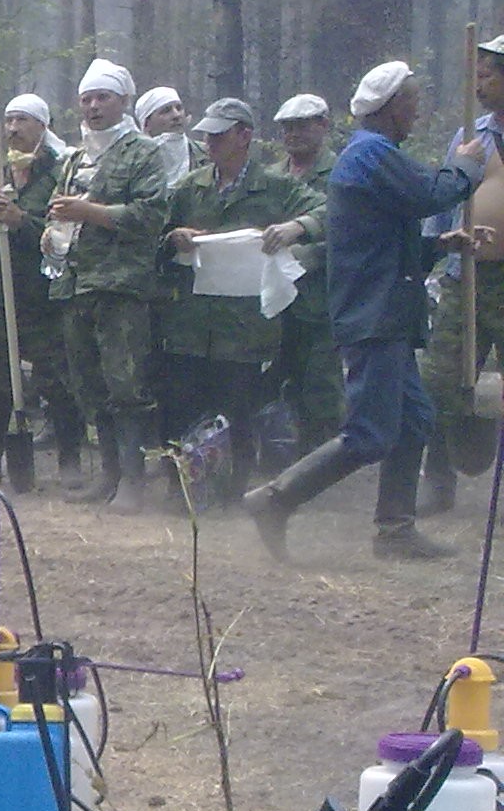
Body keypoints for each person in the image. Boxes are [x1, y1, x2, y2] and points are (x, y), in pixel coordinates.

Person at [246, 61, 488, 561]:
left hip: (386, 312)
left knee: (414, 419)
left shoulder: (372, 156)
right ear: (392, 106)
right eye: (413, 103)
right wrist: (465, 165)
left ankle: (395, 529)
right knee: (371, 432)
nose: (418, 113)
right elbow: (432, 193)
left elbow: (379, 242)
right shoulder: (370, 155)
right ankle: (276, 498)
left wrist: (439, 244)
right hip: (373, 315)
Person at [154, 98, 324, 500]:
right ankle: (183, 489)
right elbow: (155, 234)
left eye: (220, 134)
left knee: (239, 408)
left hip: (246, 324)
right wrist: (174, 238)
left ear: (244, 136)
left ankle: (232, 491)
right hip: (191, 321)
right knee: (182, 405)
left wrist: (297, 227)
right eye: (207, 135)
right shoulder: (190, 186)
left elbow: (327, 210)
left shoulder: (275, 186)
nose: (210, 142)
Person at [46, 58, 171, 512]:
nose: (93, 107)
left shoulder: (143, 153)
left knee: (126, 383)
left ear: (124, 101)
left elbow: (150, 215)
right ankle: (110, 473)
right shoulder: (74, 158)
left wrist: (91, 213)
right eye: (86, 99)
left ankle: (134, 480)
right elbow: (58, 211)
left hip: (121, 286)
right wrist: (52, 233)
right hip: (75, 284)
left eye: (103, 98)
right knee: (89, 383)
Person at [0, 93, 85, 488]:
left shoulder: (61, 172)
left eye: (22, 121)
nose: (14, 129)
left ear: (42, 127)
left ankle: (70, 459)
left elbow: (64, 233)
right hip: (0, 292)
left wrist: (21, 221)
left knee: (58, 380)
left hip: (45, 293)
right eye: (9, 121)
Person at [419, 34, 504, 515]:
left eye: (488, 76)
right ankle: (438, 479)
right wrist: (431, 249)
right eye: (478, 75)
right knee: (441, 379)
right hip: (466, 276)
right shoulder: (471, 135)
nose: (479, 85)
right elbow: (446, 194)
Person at [268, 93, 345, 455]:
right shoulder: (273, 175)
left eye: (301, 126)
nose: (293, 134)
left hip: (323, 295)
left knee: (322, 381)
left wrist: (301, 254)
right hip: (277, 297)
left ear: (323, 126)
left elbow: (349, 230)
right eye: (287, 128)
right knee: (280, 376)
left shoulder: (341, 173)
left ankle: (325, 455)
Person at [138, 86, 193, 186]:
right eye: (166, 111)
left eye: (179, 108)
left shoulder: (206, 155)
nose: (176, 115)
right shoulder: (134, 163)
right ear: (146, 124)